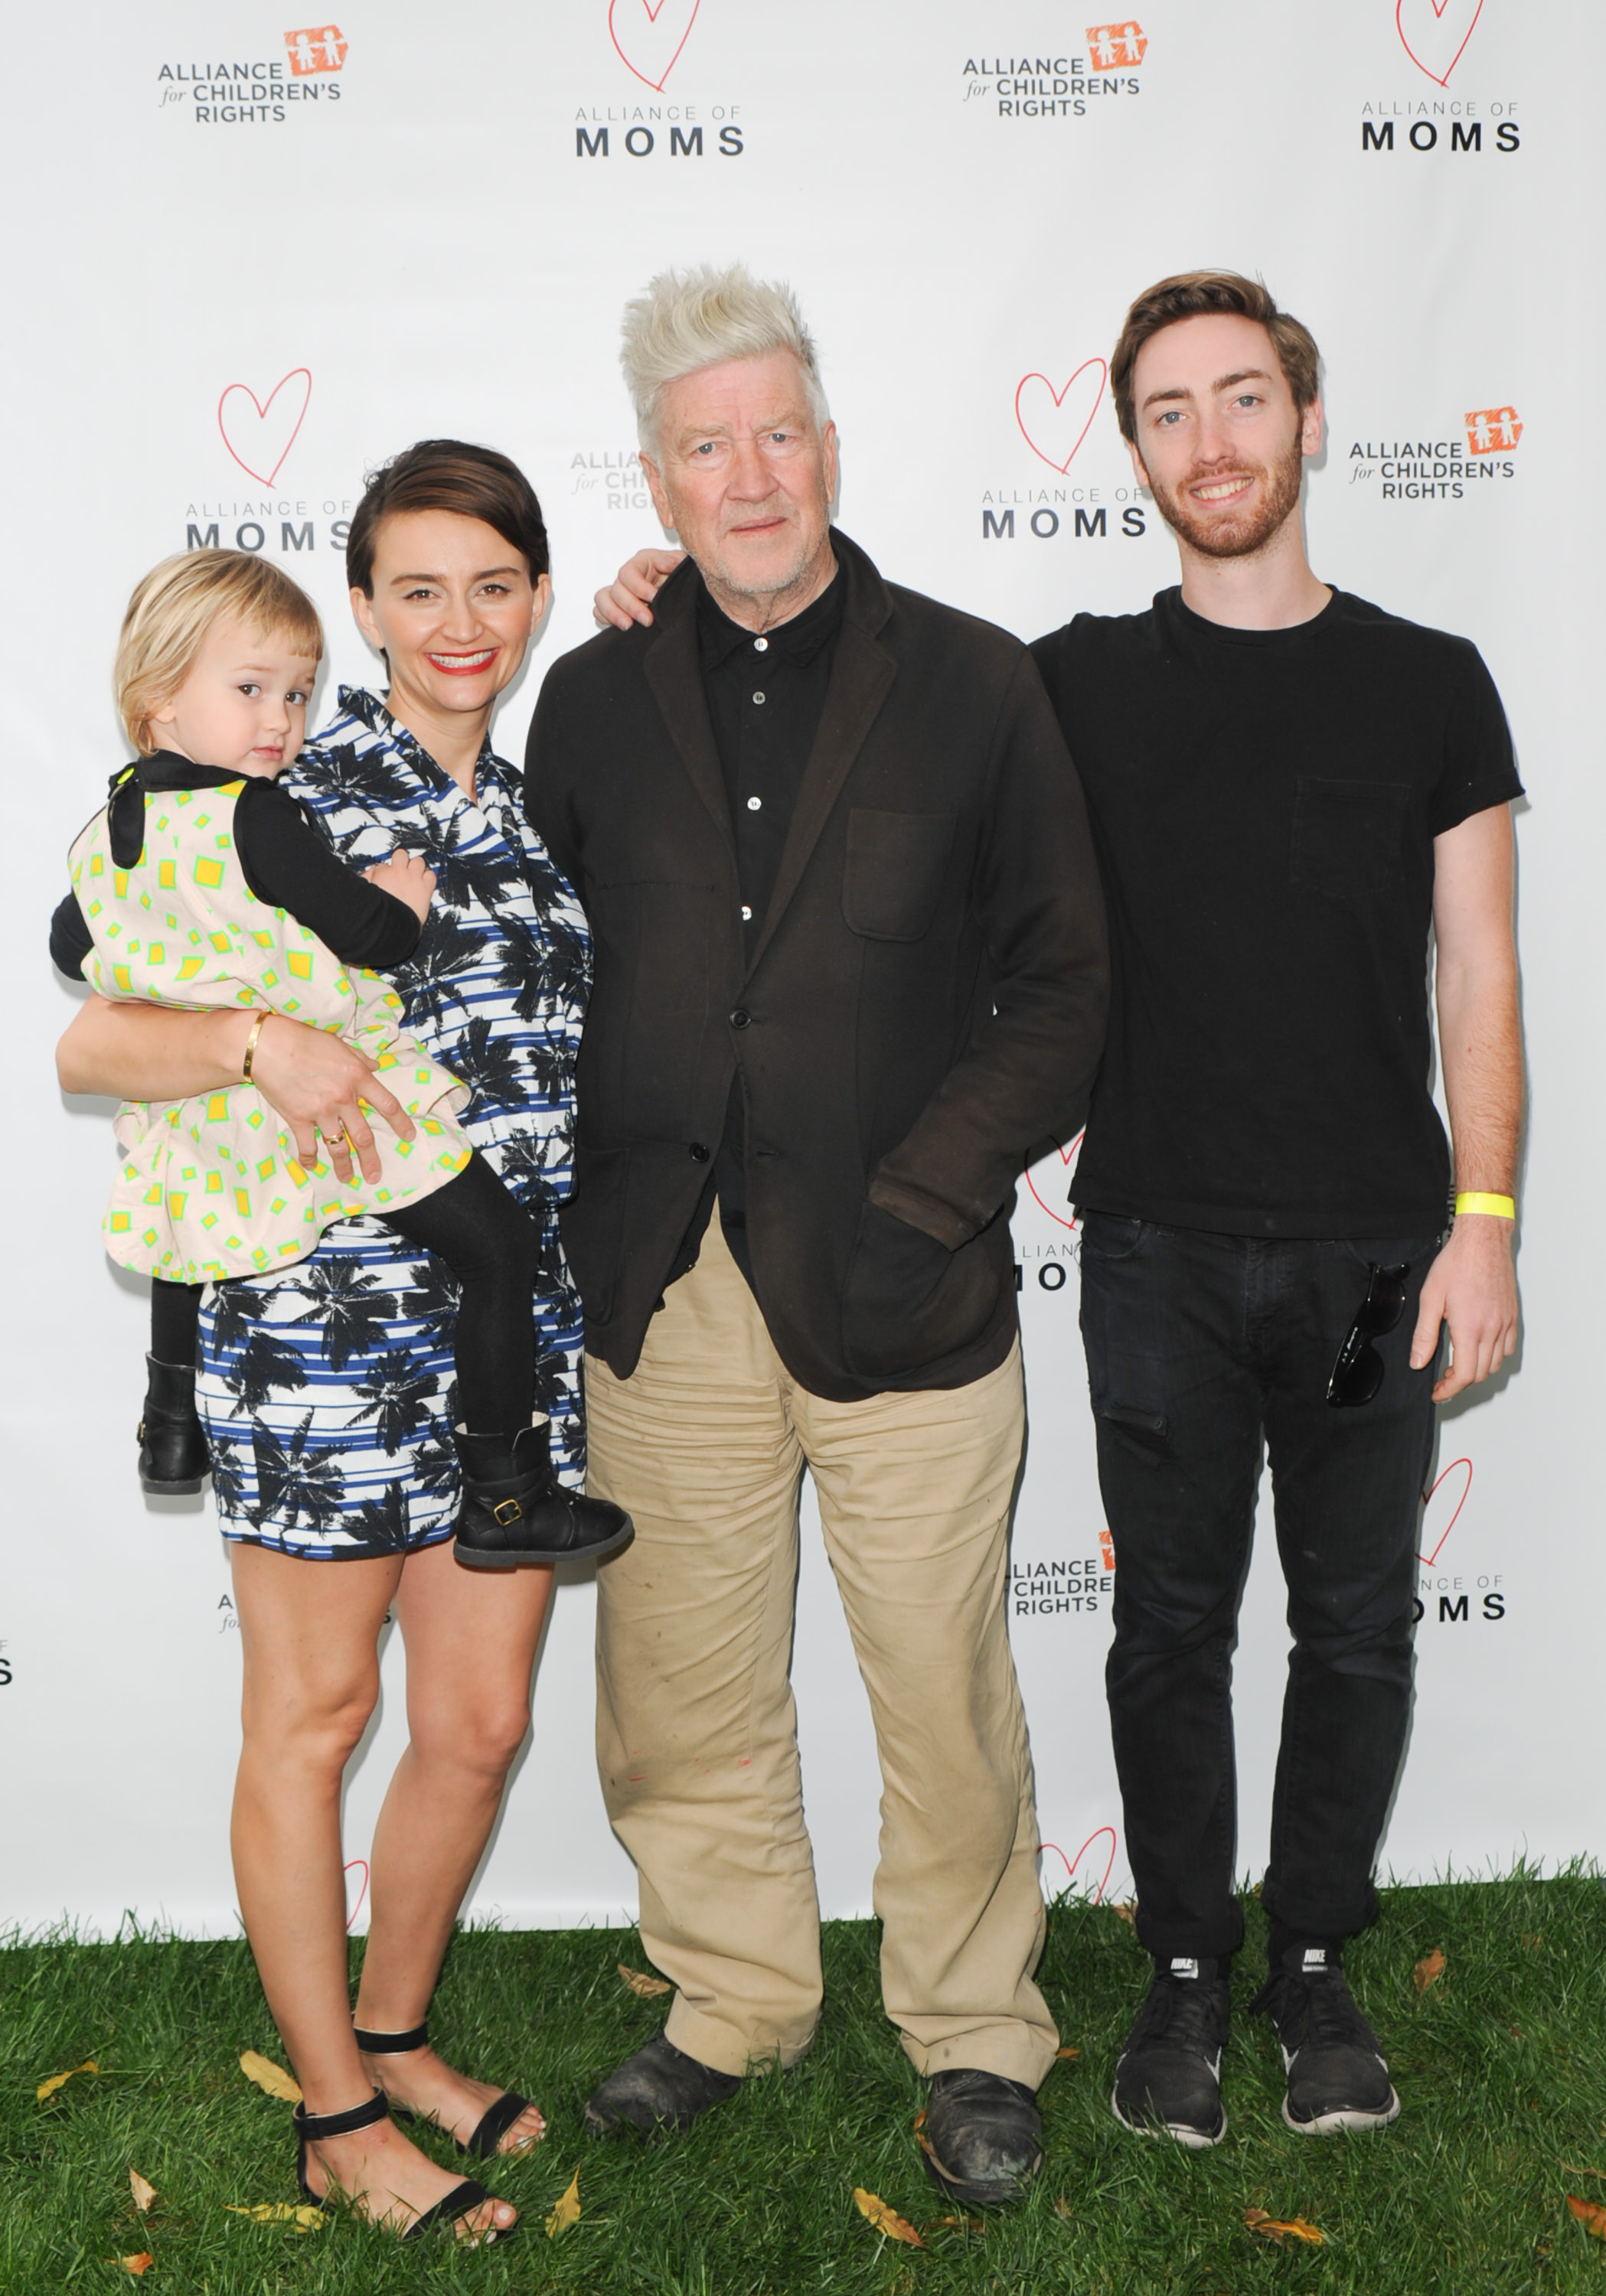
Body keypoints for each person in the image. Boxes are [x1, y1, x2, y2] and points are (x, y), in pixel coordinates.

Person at [594, 270, 1524, 2151]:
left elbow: (1466, 975)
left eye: (1242, 401)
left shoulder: (1399, 680)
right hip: (1140, 1251)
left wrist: (1482, 1213)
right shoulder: (1045, 677)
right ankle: (1115, 1984)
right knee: (1147, 1627)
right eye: (1169, 411)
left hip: (1359, 1252)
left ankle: (1273, 1977)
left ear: (1306, 420)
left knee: (1347, 1624)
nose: (1211, 441)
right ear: (1130, 450)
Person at [527, 264, 1109, 2210]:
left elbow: (1061, 982)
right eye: (708, 445)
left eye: (778, 430)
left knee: (940, 1682)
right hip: (661, 1280)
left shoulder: (973, 677)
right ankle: (731, 1998)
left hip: (909, 1279)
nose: (750, 471)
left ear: (831, 446)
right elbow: (547, 974)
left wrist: (924, 1196)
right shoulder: (589, 696)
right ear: (659, 481)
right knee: (679, 1679)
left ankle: (969, 2030)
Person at [55, 440, 612, 2241]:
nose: (461, 621)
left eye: (497, 583)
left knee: (474, 1720)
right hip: (315, 1326)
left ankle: (398, 2030)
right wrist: (247, 1046)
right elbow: (86, 1041)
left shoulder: (528, 801)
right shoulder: (270, 764)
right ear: (362, 608)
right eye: (419, 588)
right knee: (315, 1717)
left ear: (533, 599)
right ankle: (334, 2114)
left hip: (506, 1326)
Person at [53, 548, 630, 1569]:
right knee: (495, 1248)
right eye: (251, 691)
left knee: (192, 1228)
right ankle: (505, 1492)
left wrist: (178, 964)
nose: (279, 721)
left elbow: (74, 944)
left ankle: (171, 1423)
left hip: (208, 1119)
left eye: (296, 695)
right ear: (157, 703)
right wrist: (402, 902)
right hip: (333, 1104)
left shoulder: (109, 831)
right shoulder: (261, 810)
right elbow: (367, 934)